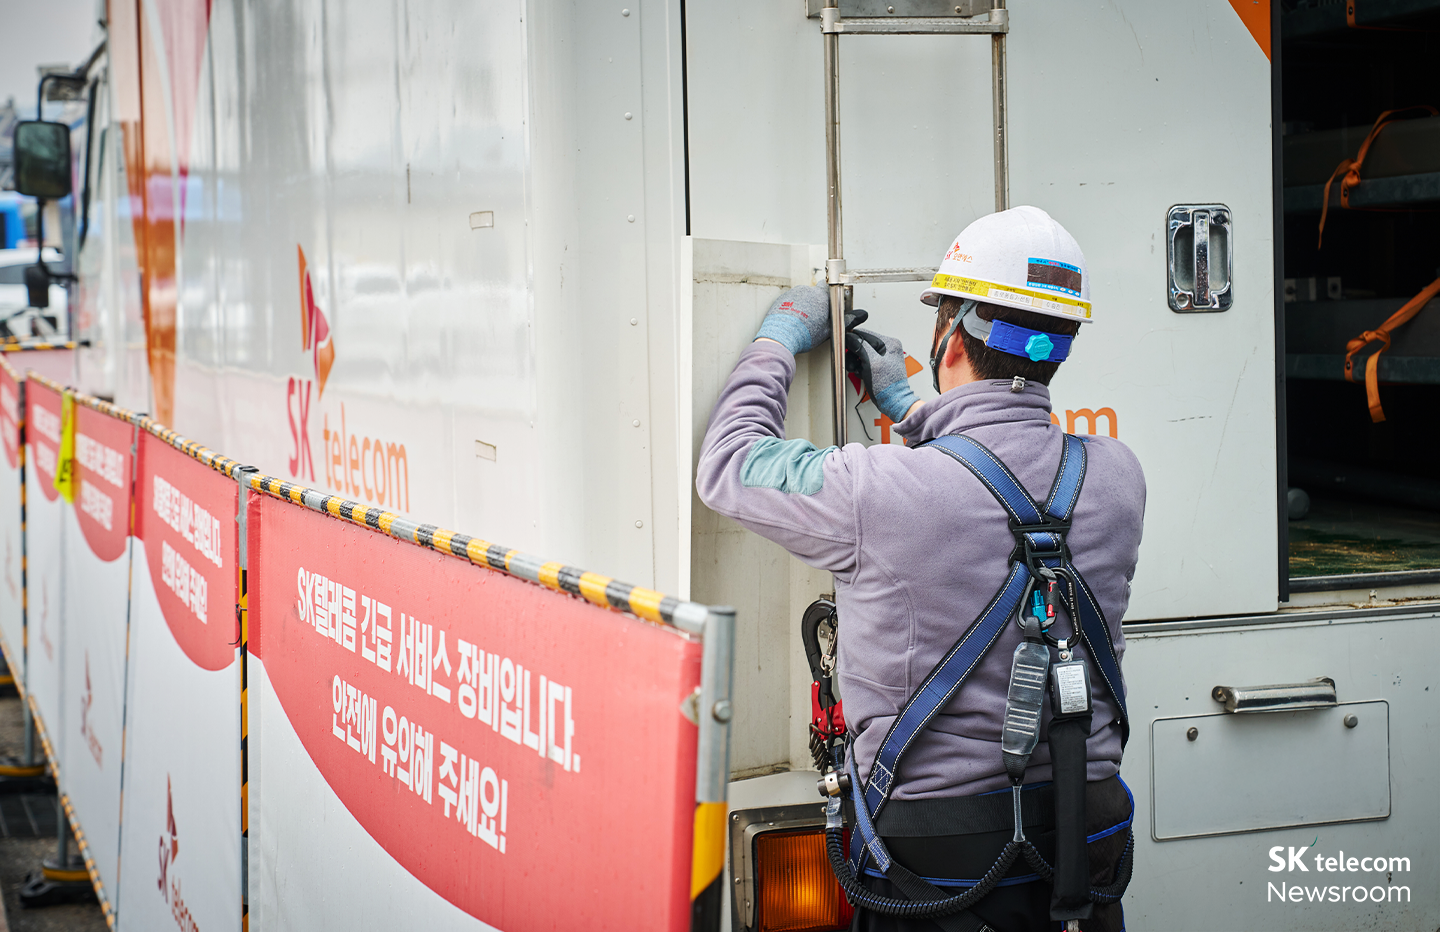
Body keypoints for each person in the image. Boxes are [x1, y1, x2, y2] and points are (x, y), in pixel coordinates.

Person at [696, 206, 1146, 932]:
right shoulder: (1119, 477)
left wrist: (779, 336)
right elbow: (987, 478)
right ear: (1058, 345)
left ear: (951, 332)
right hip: (1084, 831)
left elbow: (730, 463)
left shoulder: (879, 493)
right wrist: (906, 403)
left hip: (941, 854)